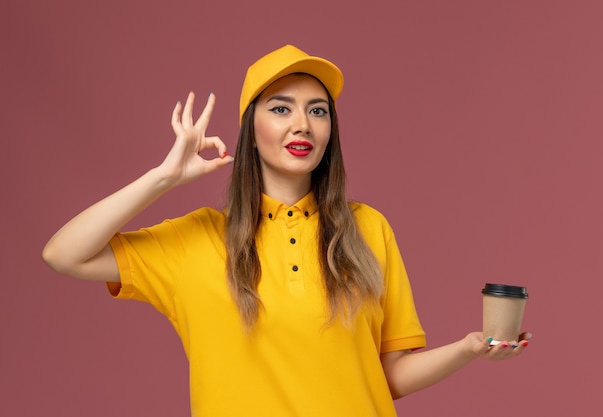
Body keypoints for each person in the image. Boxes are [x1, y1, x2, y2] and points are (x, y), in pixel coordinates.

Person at [42, 45, 531, 417]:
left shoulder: (368, 229)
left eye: (317, 111)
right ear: (249, 127)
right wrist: (163, 178)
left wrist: (469, 348)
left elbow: (388, 376)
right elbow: (64, 254)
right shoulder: (196, 239)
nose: (303, 124)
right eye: (280, 108)